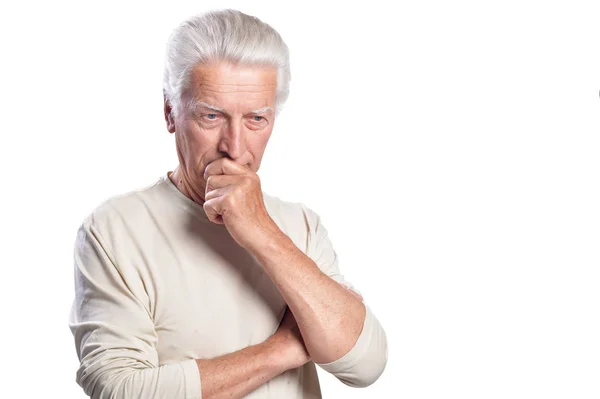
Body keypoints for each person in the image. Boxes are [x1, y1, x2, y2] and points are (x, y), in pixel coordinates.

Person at [69, 8, 387, 399]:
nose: (234, 148)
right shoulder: (114, 230)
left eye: (256, 118)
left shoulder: (300, 225)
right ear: (170, 112)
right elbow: (121, 391)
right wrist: (282, 350)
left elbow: (366, 364)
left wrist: (261, 230)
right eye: (211, 116)